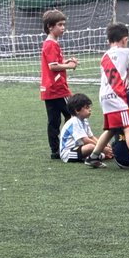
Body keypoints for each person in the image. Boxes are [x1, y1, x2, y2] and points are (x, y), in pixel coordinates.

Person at [84, 23, 129, 170]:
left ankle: (93, 156)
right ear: (125, 39)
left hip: (104, 96)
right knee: (128, 128)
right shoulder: (127, 52)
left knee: (112, 128)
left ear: (109, 40)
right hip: (117, 96)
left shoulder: (104, 56)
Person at [40, 9, 78, 161]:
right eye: (60, 25)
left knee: (54, 120)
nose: (63, 28)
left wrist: (65, 62)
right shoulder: (51, 44)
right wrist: (70, 66)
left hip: (49, 89)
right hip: (58, 88)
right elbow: (53, 67)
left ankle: (55, 150)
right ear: (50, 27)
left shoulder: (51, 43)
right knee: (74, 114)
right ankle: (67, 144)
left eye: (64, 25)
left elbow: (55, 63)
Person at [59, 93, 111, 163]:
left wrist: (104, 145)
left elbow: (91, 137)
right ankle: (100, 155)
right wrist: (102, 148)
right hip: (68, 153)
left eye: (89, 107)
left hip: (80, 148)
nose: (90, 109)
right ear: (77, 110)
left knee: (103, 141)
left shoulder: (84, 120)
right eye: (87, 107)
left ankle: (100, 155)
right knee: (91, 147)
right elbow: (85, 140)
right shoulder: (74, 122)